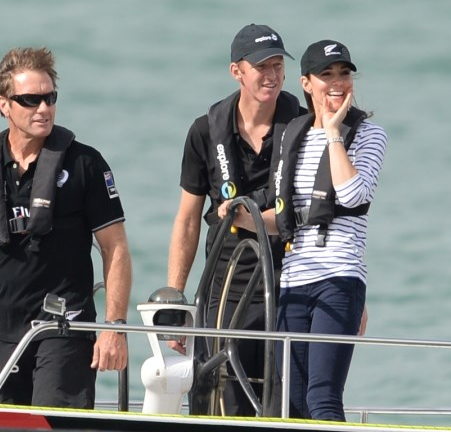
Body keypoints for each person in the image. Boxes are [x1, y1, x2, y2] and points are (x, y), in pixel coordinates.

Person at [0, 47, 132, 408]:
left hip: (64, 328)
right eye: (30, 100)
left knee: (52, 423)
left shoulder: (86, 164)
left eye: (50, 98)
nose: (43, 108)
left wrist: (114, 326)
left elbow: (115, 247)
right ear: (3, 104)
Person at [166, 24, 304, 416]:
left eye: (278, 65)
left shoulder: (304, 126)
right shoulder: (204, 131)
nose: (272, 75)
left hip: (291, 279)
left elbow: (325, 214)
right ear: (236, 71)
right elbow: (187, 221)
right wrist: (176, 299)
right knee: (221, 399)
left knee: (290, 403)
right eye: (261, 66)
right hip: (226, 284)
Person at [271, 39, 387, 421]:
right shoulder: (292, 135)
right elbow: (286, 214)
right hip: (293, 281)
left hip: (338, 278)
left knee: (322, 398)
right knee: (293, 405)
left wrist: (334, 133)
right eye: (327, 75)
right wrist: (233, 216)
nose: (337, 82)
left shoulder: (369, 135)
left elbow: (353, 195)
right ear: (306, 83)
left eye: (344, 73)